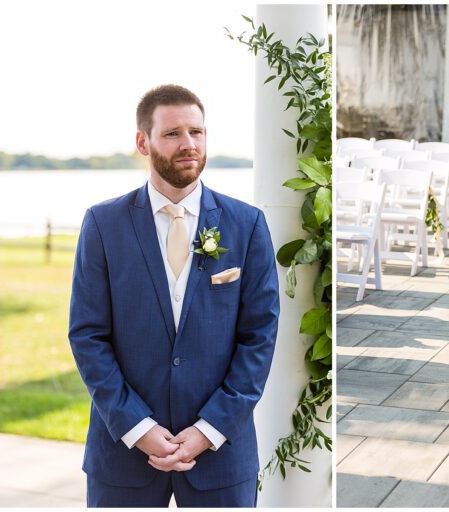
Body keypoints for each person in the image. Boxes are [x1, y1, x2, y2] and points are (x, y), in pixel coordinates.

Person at [68, 84, 279, 506]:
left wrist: (209, 430)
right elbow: (87, 336)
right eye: (173, 134)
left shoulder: (248, 224)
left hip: (221, 458)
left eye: (197, 132)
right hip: (123, 458)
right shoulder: (103, 224)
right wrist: (137, 428)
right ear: (142, 142)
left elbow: (259, 337)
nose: (189, 144)